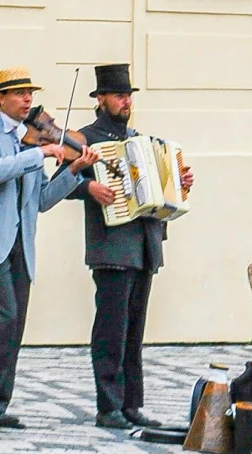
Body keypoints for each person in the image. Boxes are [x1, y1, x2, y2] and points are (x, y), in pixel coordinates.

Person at [0, 66, 96, 430]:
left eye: (30, 94)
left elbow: (40, 199)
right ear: (1, 98)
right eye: (20, 93)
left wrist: (73, 172)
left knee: (15, 324)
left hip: (22, 243)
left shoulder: (31, 142)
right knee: (5, 318)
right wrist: (42, 152)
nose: (27, 100)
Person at [74, 63, 194, 432]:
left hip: (143, 246)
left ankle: (131, 404)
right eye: (118, 95)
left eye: (128, 95)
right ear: (100, 99)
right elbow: (60, 182)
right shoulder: (83, 139)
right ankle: (108, 406)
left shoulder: (143, 140)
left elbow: (163, 189)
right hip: (111, 247)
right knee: (111, 328)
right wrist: (87, 188)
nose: (125, 101)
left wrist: (180, 181)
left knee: (134, 331)